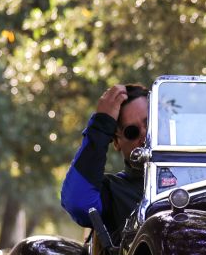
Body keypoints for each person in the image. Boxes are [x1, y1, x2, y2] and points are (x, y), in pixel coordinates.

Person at [61, 83, 149, 238]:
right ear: (116, 142)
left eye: (149, 124)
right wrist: (102, 125)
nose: (145, 135)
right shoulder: (113, 191)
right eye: (132, 132)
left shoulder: (198, 175)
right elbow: (79, 203)